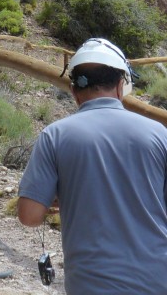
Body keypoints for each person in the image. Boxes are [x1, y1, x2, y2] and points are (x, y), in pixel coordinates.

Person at [18, 37, 167, 295]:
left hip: (90, 286)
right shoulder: (159, 134)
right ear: (121, 87)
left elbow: (29, 216)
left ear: (75, 92)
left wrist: (65, 196)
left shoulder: (54, 136)